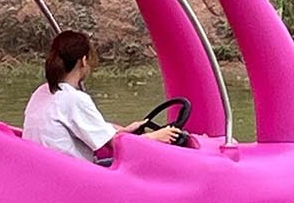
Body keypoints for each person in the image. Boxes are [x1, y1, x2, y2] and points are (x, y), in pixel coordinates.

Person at [23, 30, 180, 162]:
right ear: (83, 61)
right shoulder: (74, 99)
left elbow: (86, 126)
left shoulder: (42, 92)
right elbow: (116, 145)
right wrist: (156, 137)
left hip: (45, 169)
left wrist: (124, 131)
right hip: (72, 177)